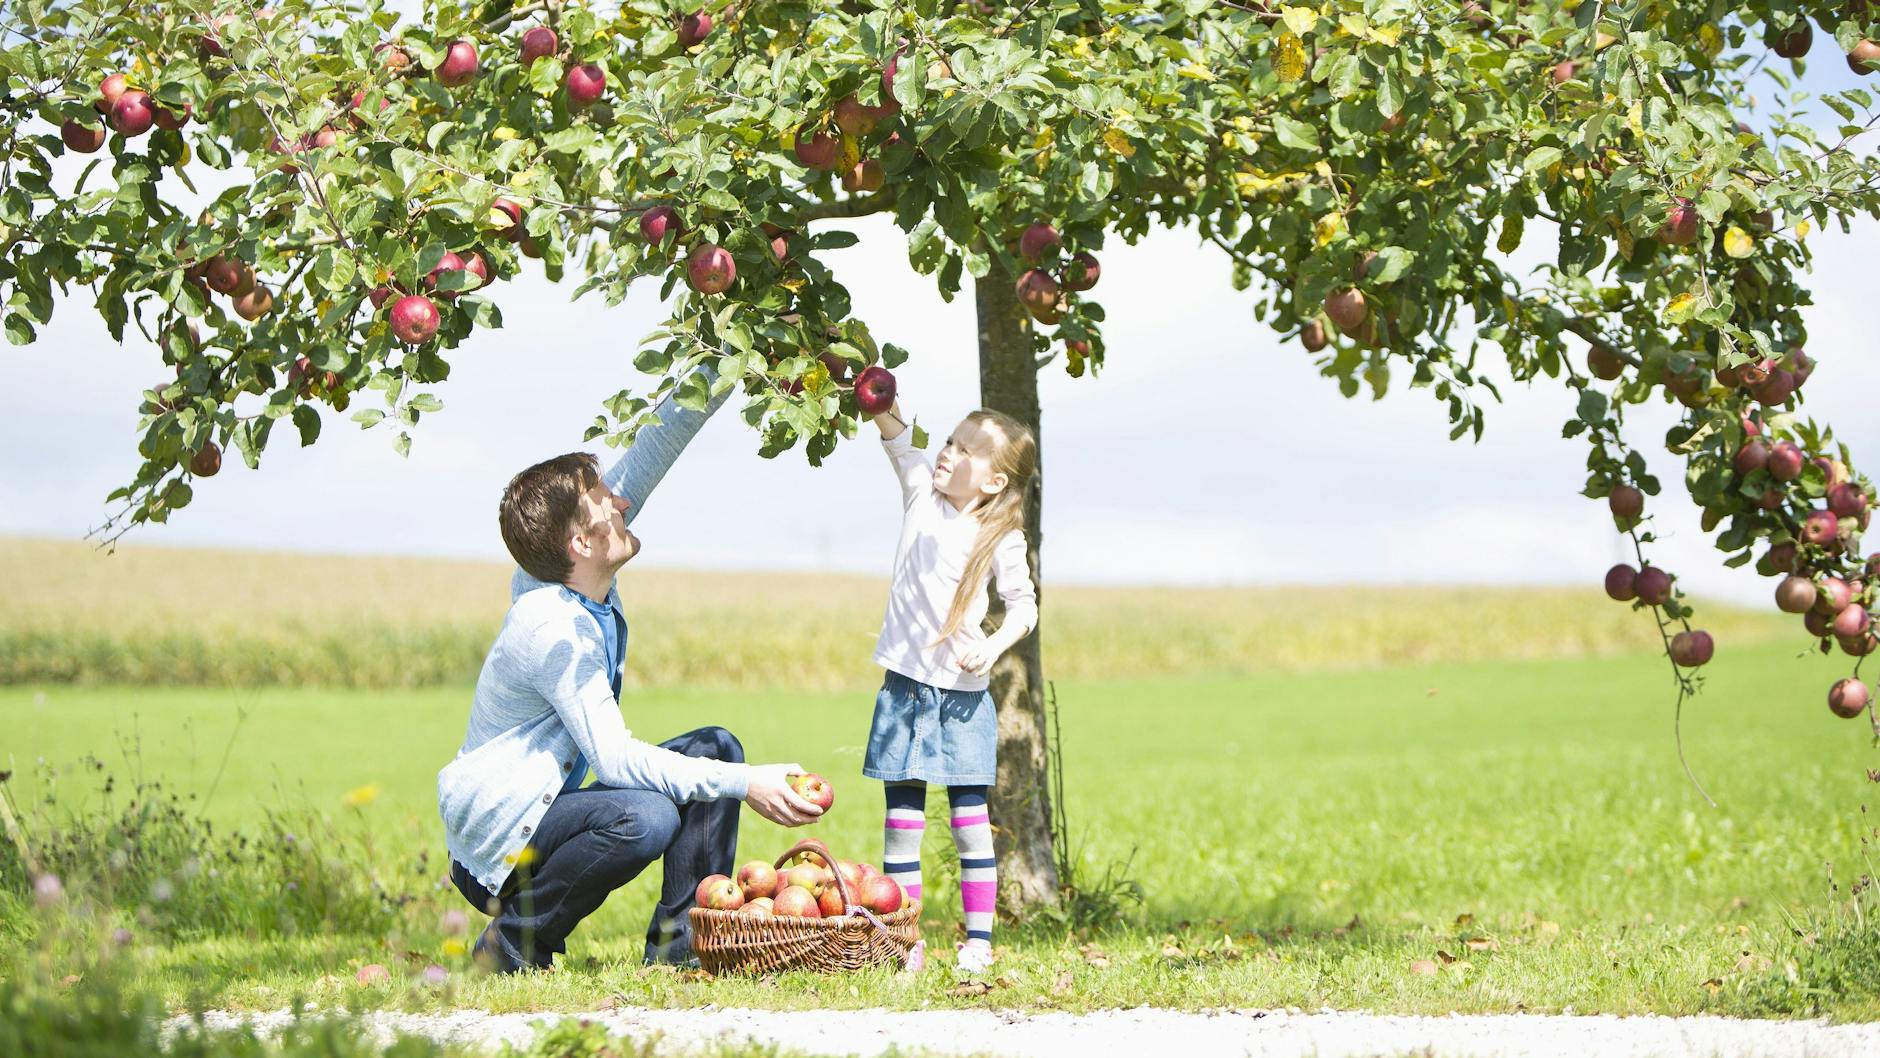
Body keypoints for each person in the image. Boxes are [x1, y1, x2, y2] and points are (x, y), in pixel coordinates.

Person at [436, 371, 824, 973]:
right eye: (604, 501)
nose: (621, 501)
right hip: (499, 846)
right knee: (645, 817)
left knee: (714, 748)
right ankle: (512, 944)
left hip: (549, 816)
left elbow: (656, 445)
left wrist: (733, 357)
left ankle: (683, 951)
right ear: (580, 543)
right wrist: (747, 782)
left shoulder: (568, 568)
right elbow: (615, 760)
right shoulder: (553, 629)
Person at [861, 397, 1038, 975]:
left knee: (969, 826)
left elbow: (1024, 610)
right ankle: (904, 943)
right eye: (950, 441)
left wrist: (990, 644)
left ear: (994, 479)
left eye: (966, 449)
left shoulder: (1001, 536)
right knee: (902, 827)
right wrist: (870, 388)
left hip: (963, 699)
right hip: (904, 691)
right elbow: (898, 436)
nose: (947, 452)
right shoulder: (921, 493)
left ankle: (978, 943)